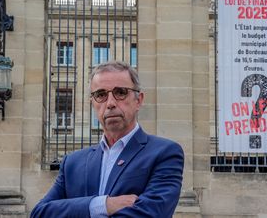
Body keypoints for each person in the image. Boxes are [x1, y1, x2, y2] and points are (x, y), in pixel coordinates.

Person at [31, 61, 184, 218]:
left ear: (138, 100)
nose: (110, 103)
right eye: (101, 95)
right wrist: (103, 205)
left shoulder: (165, 153)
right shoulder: (72, 163)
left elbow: (151, 214)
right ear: (93, 103)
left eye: (121, 92)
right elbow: (39, 213)